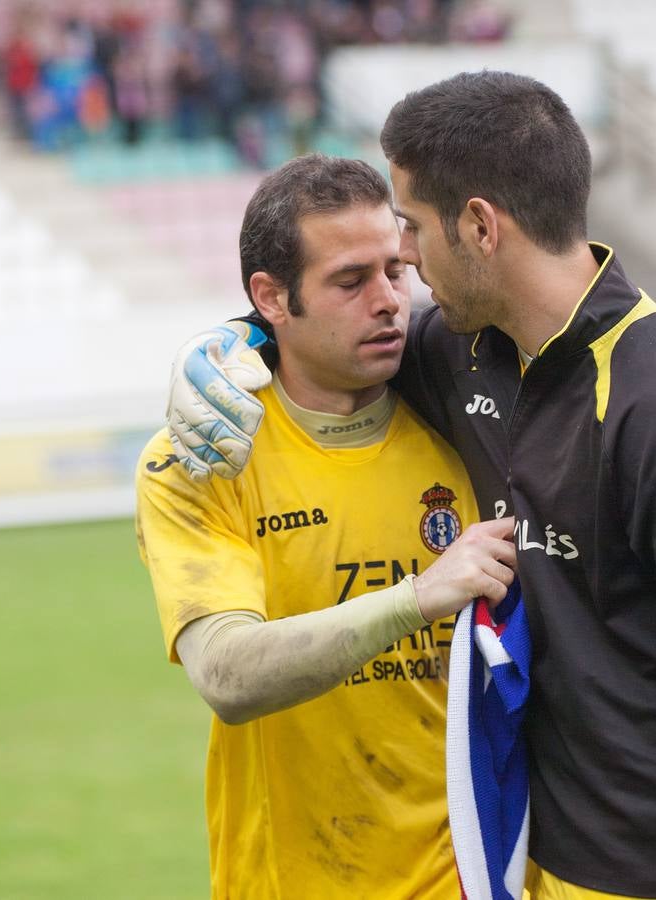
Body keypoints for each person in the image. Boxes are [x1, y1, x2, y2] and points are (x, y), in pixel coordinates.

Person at [165, 73, 656, 900]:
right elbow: (317, 339)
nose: (404, 262)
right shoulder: (465, 349)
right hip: (551, 866)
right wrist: (232, 345)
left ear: (478, 225)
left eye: (410, 228)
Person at [134, 153, 518, 899]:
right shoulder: (203, 458)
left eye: (395, 272)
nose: (388, 302)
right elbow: (227, 674)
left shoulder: (465, 421)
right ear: (270, 298)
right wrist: (415, 599)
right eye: (350, 281)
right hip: (292, 879)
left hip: (472, 878)